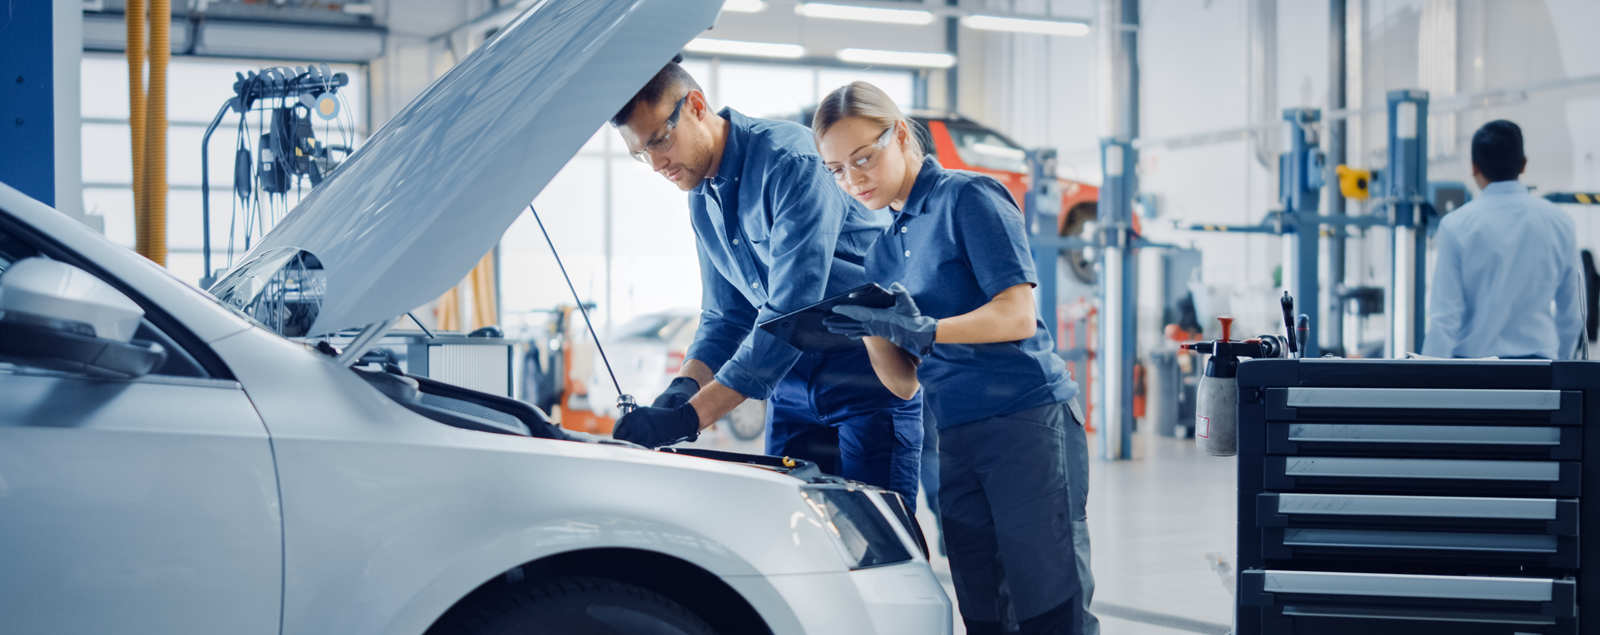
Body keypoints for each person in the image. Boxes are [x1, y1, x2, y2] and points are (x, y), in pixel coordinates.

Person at [813, 81, 1096, 635]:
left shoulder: (968, 197)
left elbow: (1014, 315)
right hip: (956, 435)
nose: (854, 180)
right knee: (983, 605)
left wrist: (925, 328)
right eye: (837, 170)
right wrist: (868, 329)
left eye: (863, 158)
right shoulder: (883, 248)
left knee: (1047, 602)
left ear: (898, 135)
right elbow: (903, 385)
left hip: (1026, 421)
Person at [607, 57, 923, 507]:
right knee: (795, 535)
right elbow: (725, 315)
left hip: (866, 379)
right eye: (642, 153)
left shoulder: (792, 163)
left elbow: (790, 310)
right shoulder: (702, 198)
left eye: (660, 139)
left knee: (880, 539)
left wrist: (688, 419)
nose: (657, 163)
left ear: (696, 105)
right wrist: (682, 390)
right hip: (789, 387)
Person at [1422, 119, 1584, 359]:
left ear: (1474, 167)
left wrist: (1428, 380)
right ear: (1523, 164)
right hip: (1540, 373)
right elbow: (1573, 313)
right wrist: (1561, 365)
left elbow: (1445, 318)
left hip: (1473, 375)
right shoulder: (1560, 222)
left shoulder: (1455, 226)